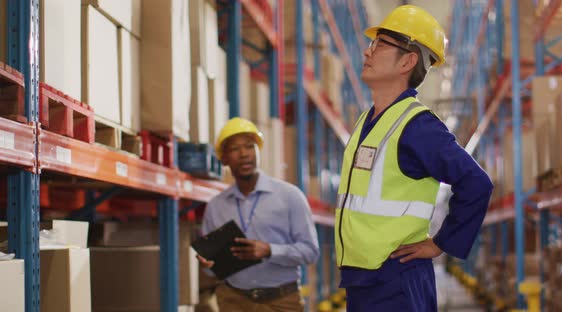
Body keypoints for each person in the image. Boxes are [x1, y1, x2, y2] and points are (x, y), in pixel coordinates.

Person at [334, 5, 494, 311]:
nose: (367, 53)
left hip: (395, 280)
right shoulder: (368, 120)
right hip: (363, 279)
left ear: (407, 60)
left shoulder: (417, 125)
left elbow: (476, 183)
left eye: (379, 45)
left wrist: (441, 243)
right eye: (371, 45)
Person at [197, 117, 319, 311]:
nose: (244, 154)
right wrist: (208, 264)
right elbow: (211, 271)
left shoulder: (290, 196)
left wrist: (270, 250)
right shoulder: (216, 206)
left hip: (281, 302)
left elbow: (311, 252)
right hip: (233, 301)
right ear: (224, 158)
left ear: (258, 151)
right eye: (235, 149)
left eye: (249, 146)